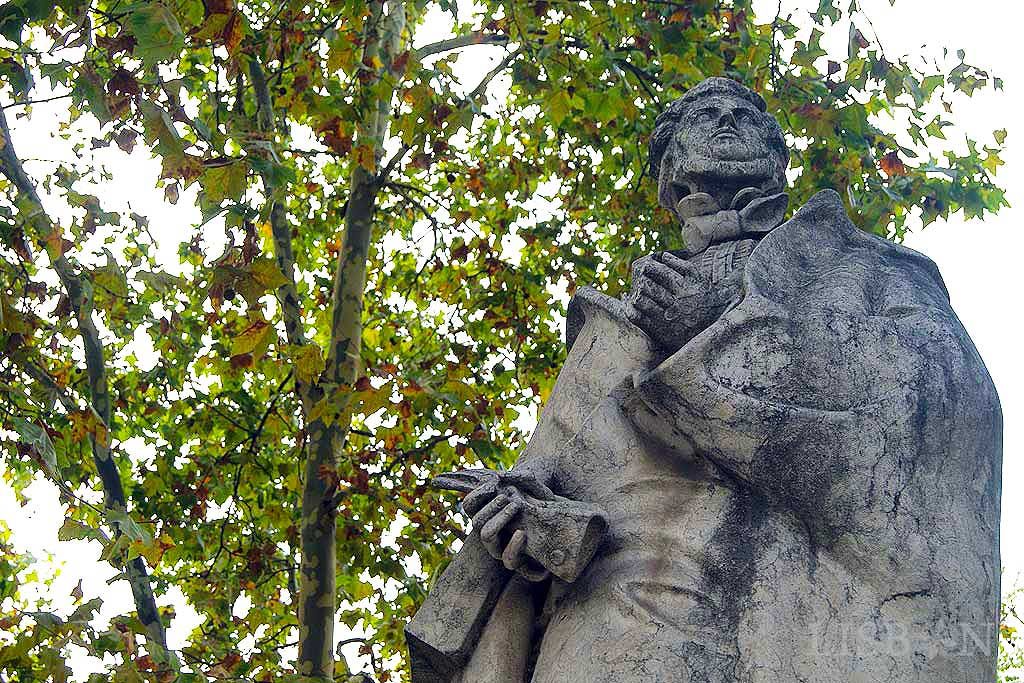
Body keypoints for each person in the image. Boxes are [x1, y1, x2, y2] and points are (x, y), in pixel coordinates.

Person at [408, 77, 1002, 683]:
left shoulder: (858, 268)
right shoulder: (611, 325)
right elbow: (550, 471)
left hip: (779, 599)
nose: (724, 121)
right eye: (705, 115)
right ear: (670, 169)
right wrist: (520, 519)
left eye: (743, 115)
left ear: (777, 162)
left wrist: (730, 327)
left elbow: (947, 401)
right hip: (609, 617)